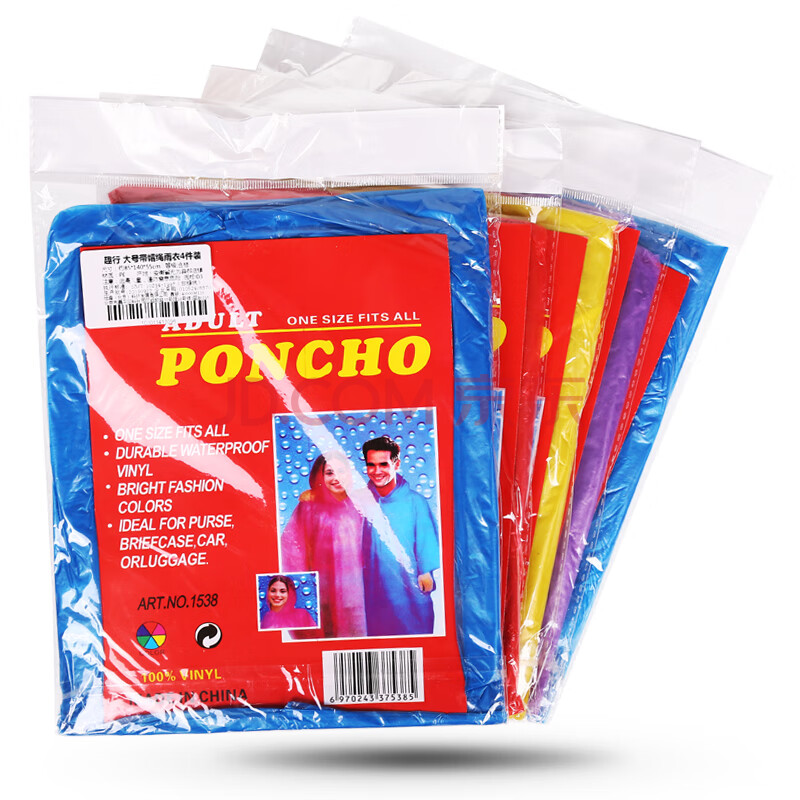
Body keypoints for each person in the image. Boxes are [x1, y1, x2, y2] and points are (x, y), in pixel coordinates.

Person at [360, 435, 440, 636]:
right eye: (371, 465)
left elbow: (425, 536)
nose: (377, 471)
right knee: (375, 626)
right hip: (372, 581)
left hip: (407, 580)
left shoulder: (415, 501)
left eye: (383, 464)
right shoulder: (361, 500)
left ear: (396, 464)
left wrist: (425, 571)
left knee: (411, 622)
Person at [281, 453, 367, 638]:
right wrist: (300, 587)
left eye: (341, 471)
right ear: (320, 477)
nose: (336, 478)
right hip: (322, 591)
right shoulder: (308, 508)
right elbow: (292, 549)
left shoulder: (359, 506)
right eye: (329, 473)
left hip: (357, 593)